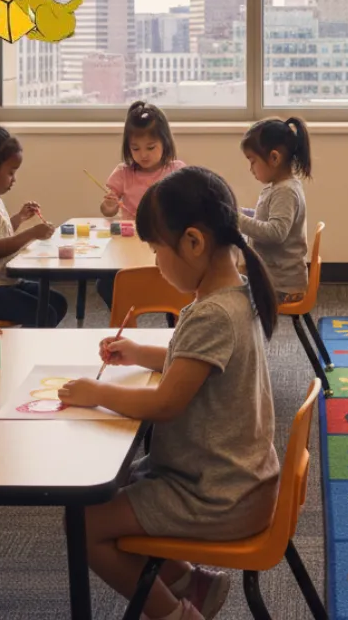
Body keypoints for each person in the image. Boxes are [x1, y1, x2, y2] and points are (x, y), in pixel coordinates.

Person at [57, 166, 280, 620]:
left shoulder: (212, 314)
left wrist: (95, 391)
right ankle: (191, 583)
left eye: (157, 249)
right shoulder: (232, 295)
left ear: (193, 243)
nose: (156, 261)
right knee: (107, 490)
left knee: (82, 523)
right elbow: (194, 368)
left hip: (218, 495)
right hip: (237, 480)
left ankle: (177, 614)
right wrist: (139, 351)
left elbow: (166, 402)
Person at [0, 118, 65, 327]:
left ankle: (24, 339)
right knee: (44, 313)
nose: (14, 179)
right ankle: (23, 347)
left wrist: (19, 218)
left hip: (2, 283)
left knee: (57, 302)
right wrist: (32, 233)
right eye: (11, 172)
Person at [97, 101, 186, 307]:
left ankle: (171, 319)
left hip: (163, 246)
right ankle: (126, 317)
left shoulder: (175, 170)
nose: (143, 154)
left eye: (151, 147)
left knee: (175, 281)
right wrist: (109, 205)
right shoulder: (123, 173)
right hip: (130, 245)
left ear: (165, 143)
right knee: (105, 284)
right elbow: (107, 210)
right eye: (135, 148)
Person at [238, 116, 312, 303]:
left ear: (274, 158)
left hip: (281, 285)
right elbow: (266, 219)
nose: (250, 169)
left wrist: (237, 219)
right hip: (274, 278)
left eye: (252, 161)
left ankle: (244, 332)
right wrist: (242, 213)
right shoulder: (278, 187)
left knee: (227, 294)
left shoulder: (285, 192)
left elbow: (276, 233)